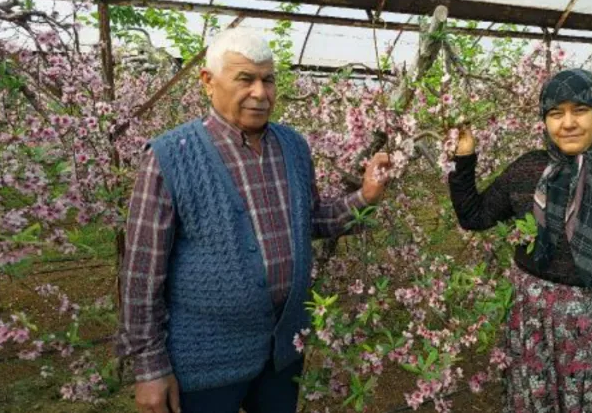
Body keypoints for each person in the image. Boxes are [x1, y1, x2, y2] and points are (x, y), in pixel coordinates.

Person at [116, 27, 391, 413]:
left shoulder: (293, 147)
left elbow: (310, 221)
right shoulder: (169, 157)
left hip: (282, 351)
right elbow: (142, 272)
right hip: (206, 358)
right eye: (245, 79)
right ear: (208, 82)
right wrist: (149, 366)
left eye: (268, 80)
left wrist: (366, 197)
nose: (260, 93)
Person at [449, 69, 592, 412]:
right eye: (556, 113)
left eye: (580, 110)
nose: (567, 123)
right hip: (535, 322)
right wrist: (464, 159)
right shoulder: (527, 170)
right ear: (545, 121)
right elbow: (474, 216)